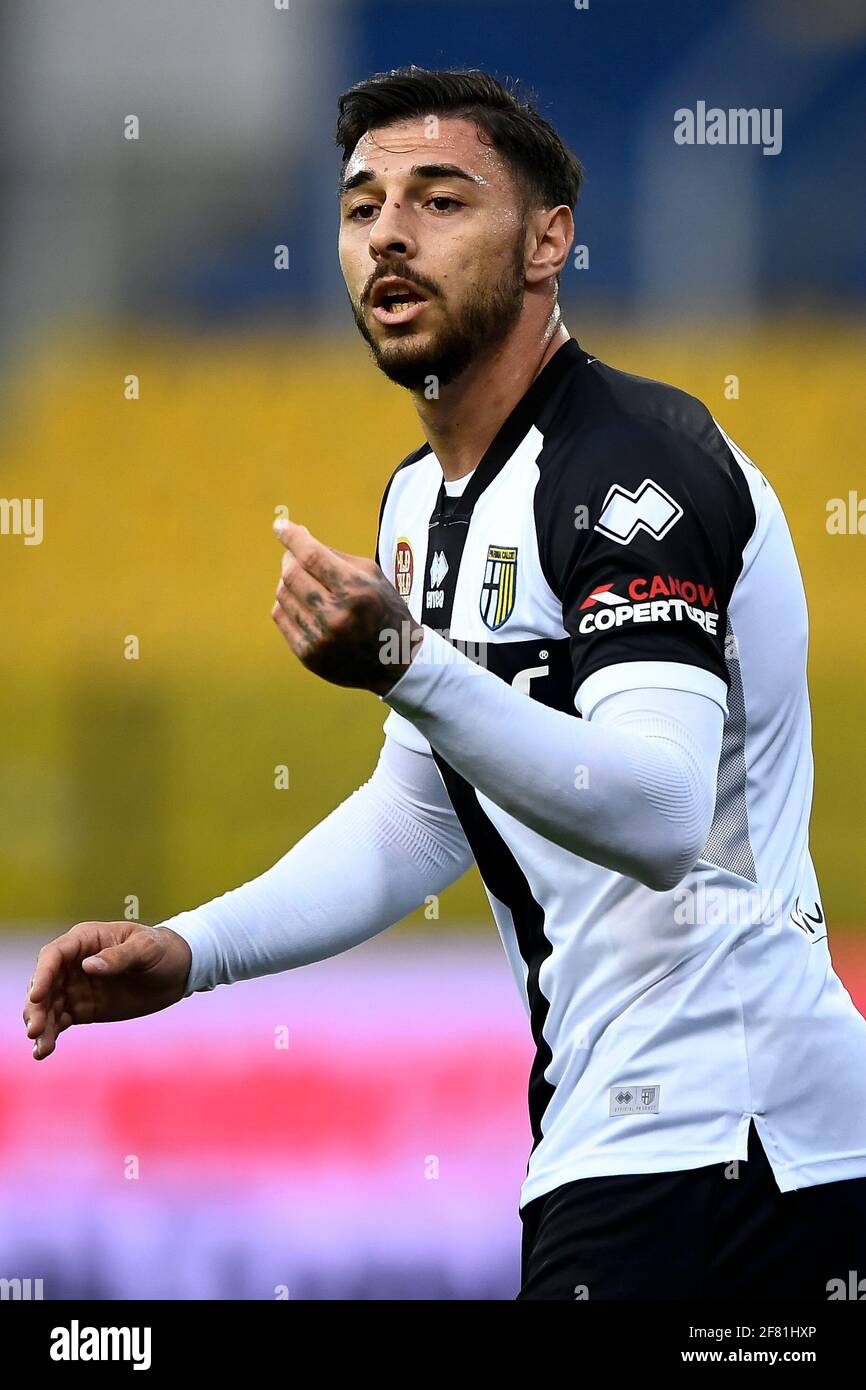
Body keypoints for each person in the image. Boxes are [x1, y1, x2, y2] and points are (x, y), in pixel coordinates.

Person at [23, 67, 866, 1300]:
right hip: (621, 1136)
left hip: (730, 1138)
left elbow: (662, 812)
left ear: (546, 241)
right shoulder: (417, 504)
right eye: (361, 206)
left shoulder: (636, 467)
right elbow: (421, 814)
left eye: (439, 199)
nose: (389, 236)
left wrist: (408, 666)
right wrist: (190, 951)